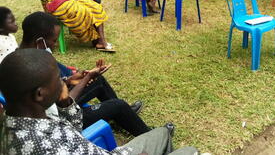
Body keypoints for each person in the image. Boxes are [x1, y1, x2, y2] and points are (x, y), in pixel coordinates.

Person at [0, 48, 198, 154]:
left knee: (162, 133)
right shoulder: (41, 146)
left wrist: (65, 101)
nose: (63, 83)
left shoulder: (20, 118)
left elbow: (74, 129)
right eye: (57, 81)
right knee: (191, 151)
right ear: (40, 94)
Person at [18, 12, 149, 136]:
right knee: (118, 105)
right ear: (40, 41)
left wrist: (69, 80)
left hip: (59, 104)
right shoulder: (33, 69)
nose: (55, 44)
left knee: (99, 81)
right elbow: (64, 104)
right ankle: (150, 135)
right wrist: (86, 79)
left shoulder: (23, 56)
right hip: (61, 120)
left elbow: (57, 89)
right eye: (54, 40)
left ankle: (124, 116)